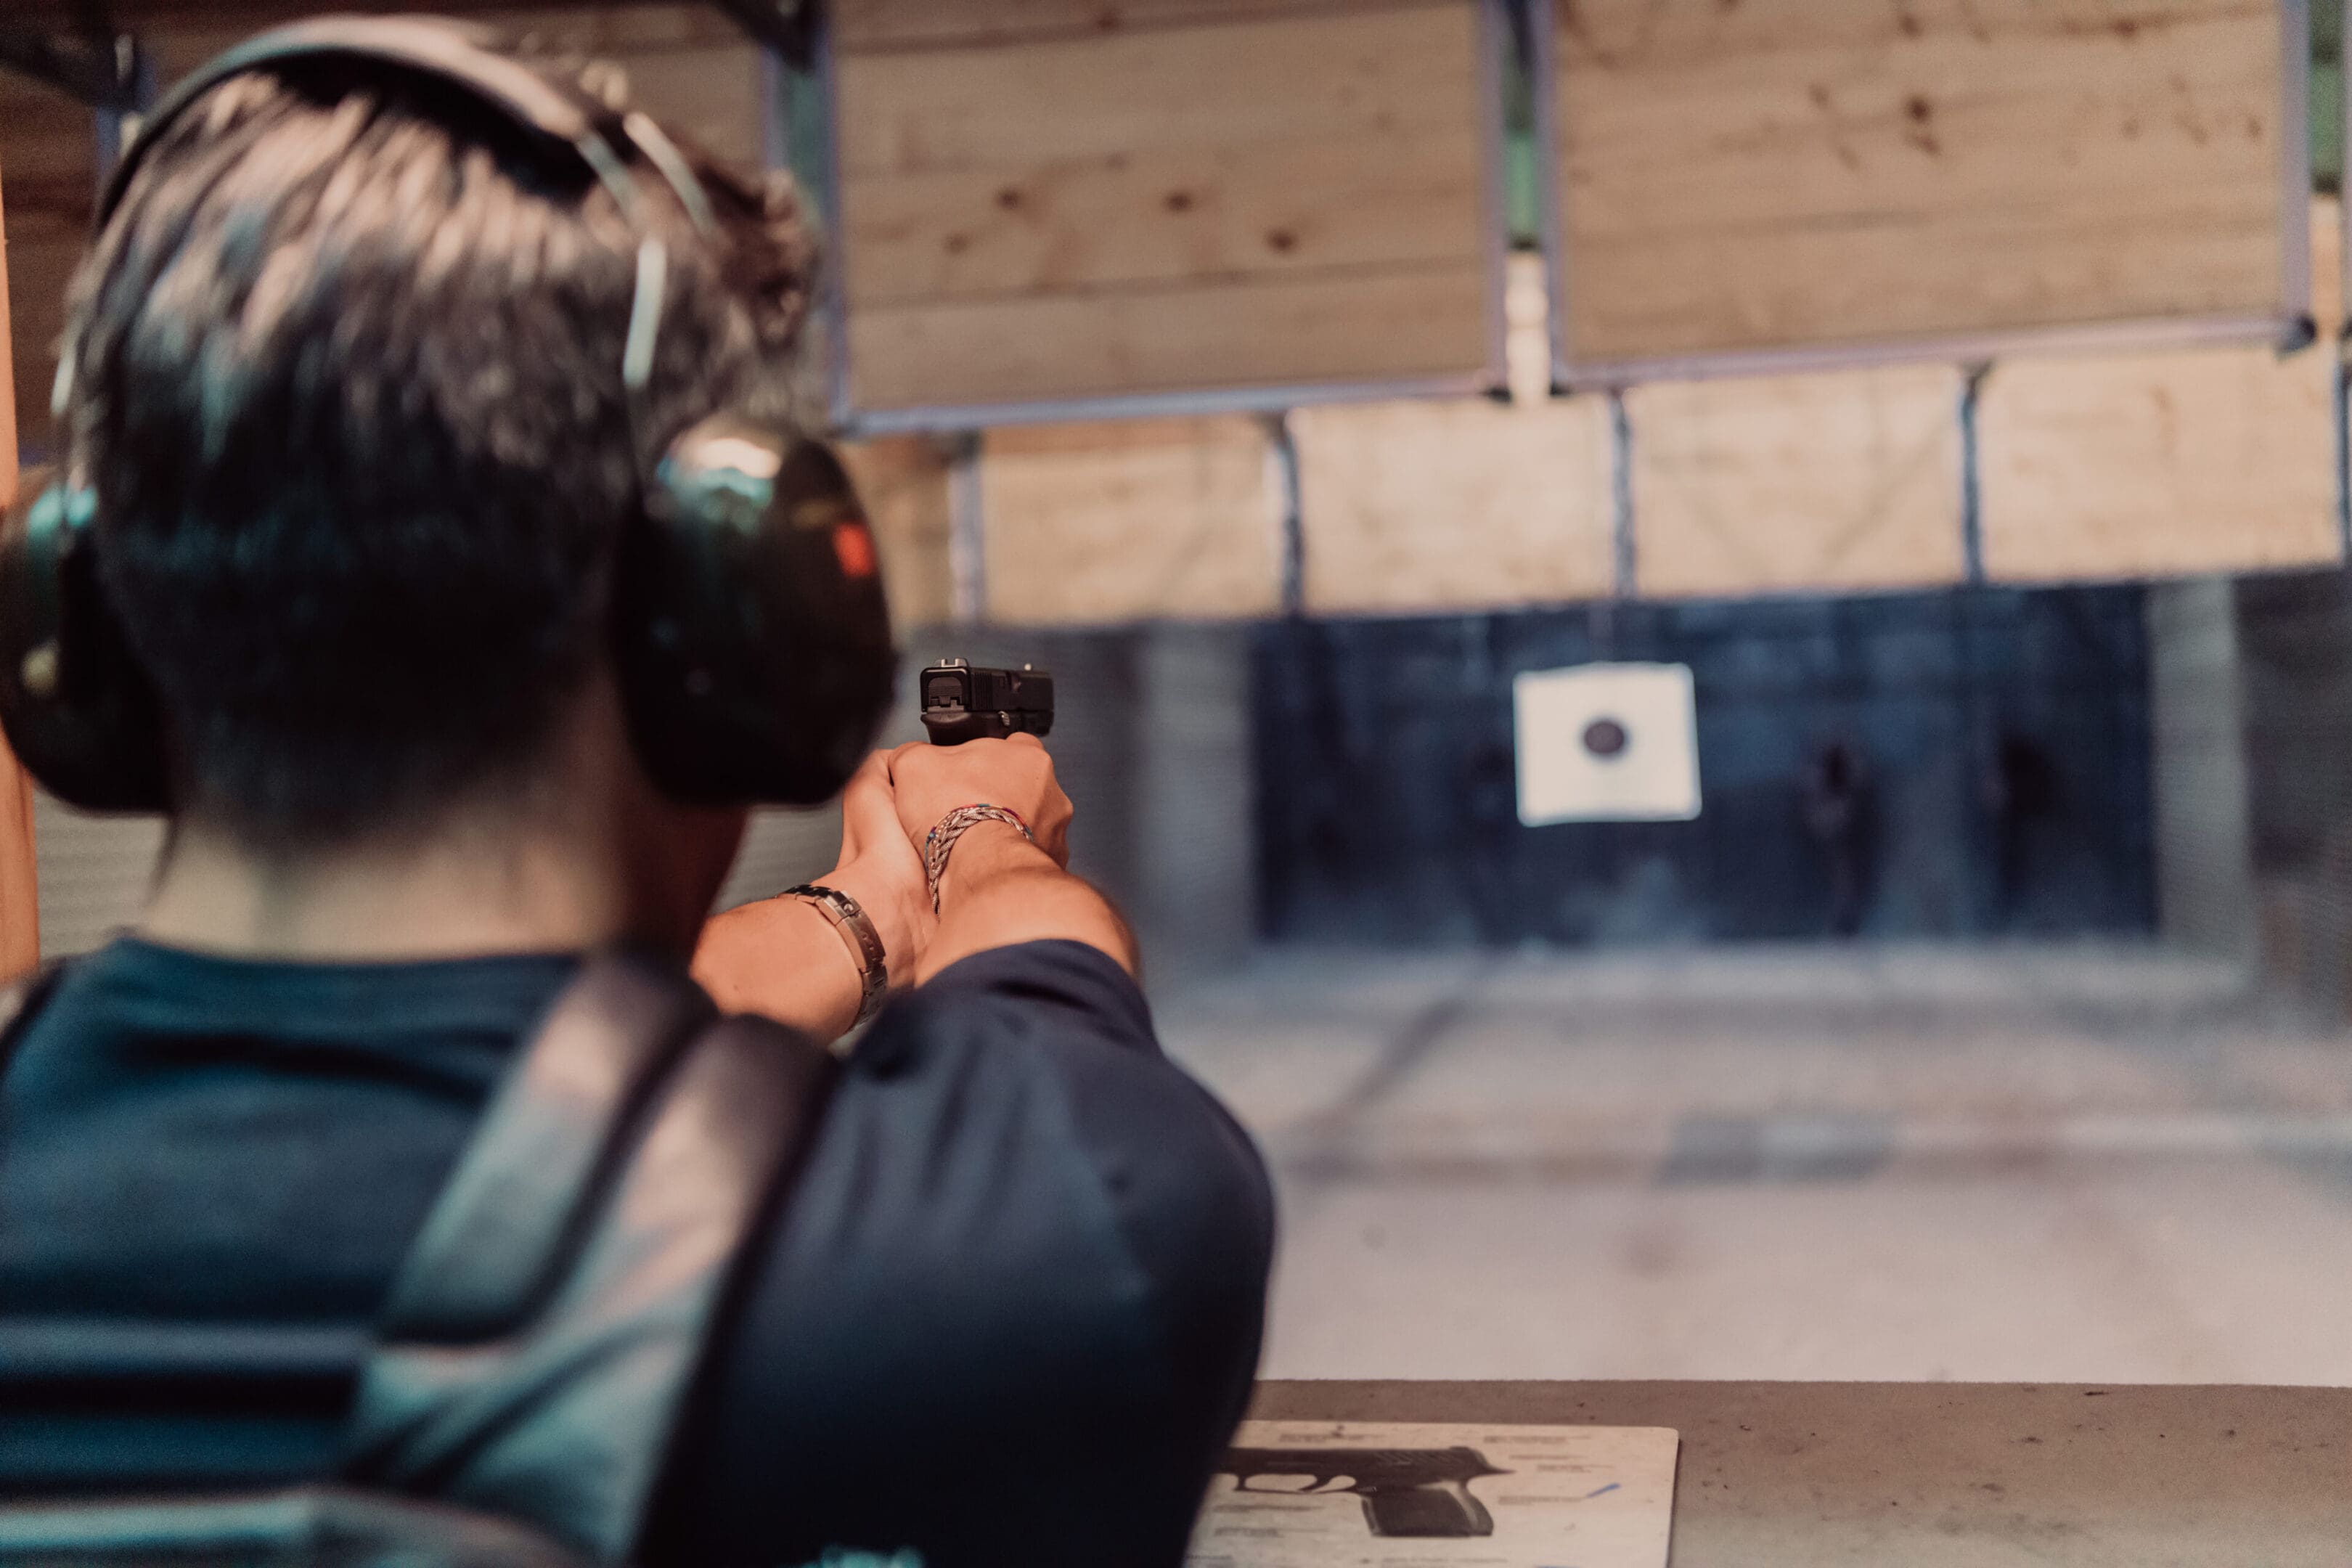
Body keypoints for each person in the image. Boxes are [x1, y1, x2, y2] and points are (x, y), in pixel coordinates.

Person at [0, 41, 1273, 1568]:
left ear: (87, 623)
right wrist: (982, 846)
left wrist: (864, 920)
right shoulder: (1031, 1261)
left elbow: (442, 1032)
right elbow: (1053, 1028)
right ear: (744, 621)